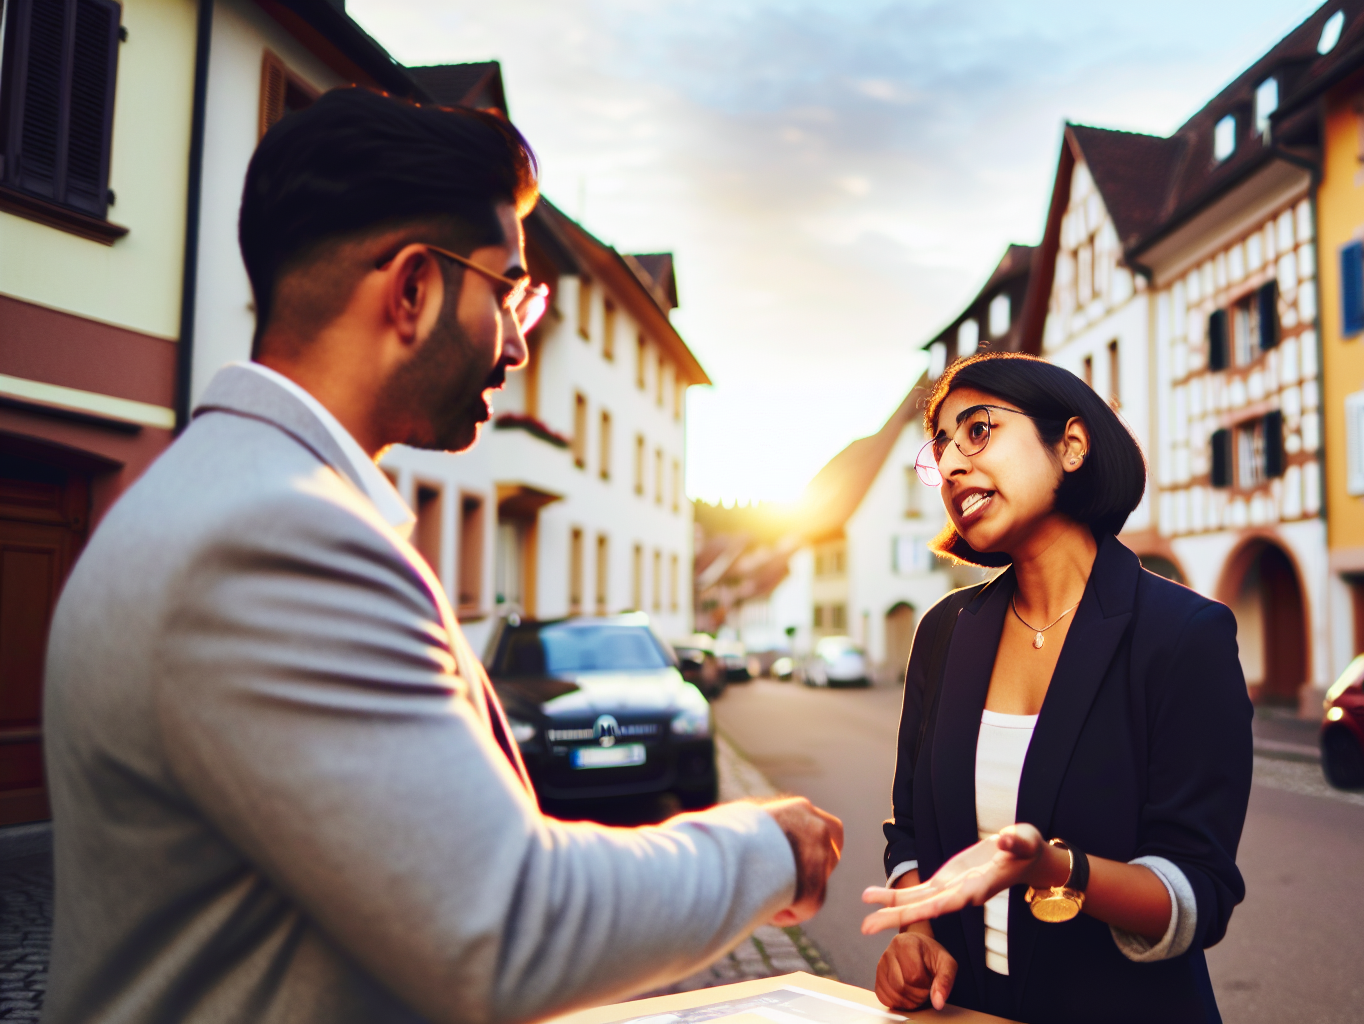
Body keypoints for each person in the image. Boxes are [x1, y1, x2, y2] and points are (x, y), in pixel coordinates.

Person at [40, 87, 841, 1024]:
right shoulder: (280, 535)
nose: (515, 343)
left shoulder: (230, 494)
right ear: (414, 289)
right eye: (510, 292)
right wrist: (765, 844)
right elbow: (507, 927)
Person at [864, 352, 1253, 1024]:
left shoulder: (1185, 635)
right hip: (965, 1012)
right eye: (943, 447)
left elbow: (1199, 894)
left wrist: (1057, 867)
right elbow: (911, 833)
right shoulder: (946, 631)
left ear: (1071, 445)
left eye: (978, 431)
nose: (952, 465)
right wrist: (916, 932)